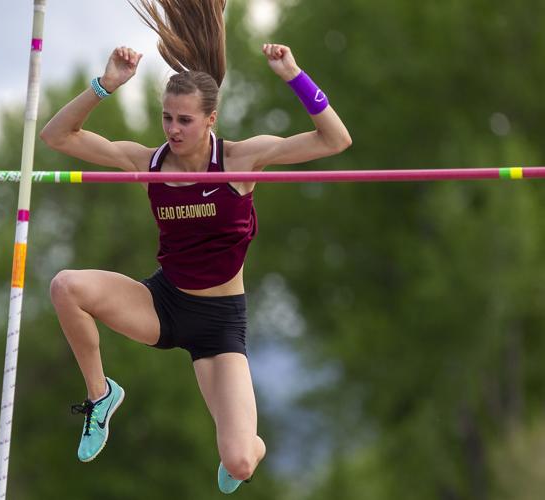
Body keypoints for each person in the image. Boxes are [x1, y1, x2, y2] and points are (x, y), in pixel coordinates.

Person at [39, 0, 351, 493]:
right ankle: (101, 397)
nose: (173, 130)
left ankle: (246, 444)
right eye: (166, 118)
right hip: (163, 303)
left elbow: (334, 139)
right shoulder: (148, 164)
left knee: (242, 463)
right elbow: (56, 136)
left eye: (184, 120)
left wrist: (294, 75)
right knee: (65, 286)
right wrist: (106, 85)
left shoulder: (242, 161)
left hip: (220, 324)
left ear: (211, 119)